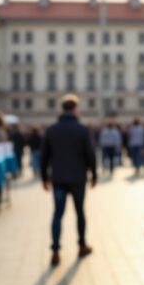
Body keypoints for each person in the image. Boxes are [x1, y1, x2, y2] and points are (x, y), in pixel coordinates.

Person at [40, 94, 97, 266]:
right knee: (80, 212)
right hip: (78, 178)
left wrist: (44, 177)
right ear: (75, 109)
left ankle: (55, 250)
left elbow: (44, 157)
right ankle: (81, 245)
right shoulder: (82, 129)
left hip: (58, 178)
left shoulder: (52, 130)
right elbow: (91, 155)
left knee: (58, 214)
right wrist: (93, 175)